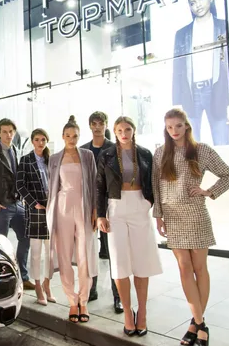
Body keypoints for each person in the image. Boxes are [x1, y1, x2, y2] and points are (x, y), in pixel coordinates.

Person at [153, 108, 229, 346]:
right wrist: (158, 216)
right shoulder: (161, 153)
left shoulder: (201, 151)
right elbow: (156, 187)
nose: (174, 131)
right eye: (169, 127)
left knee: (200, 269)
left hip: (196, 215)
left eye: (178, 126)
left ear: (187, 126)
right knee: (183, 269)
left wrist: (208, 192)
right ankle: (200, 325)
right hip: (173, 217)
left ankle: (197, 325)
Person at [96, 116, 162, 337]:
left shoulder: (145, 153)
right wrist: (100, 215)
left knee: (142, 262)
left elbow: (153, 182)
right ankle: (127, 313)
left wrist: (149, 202)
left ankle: (142, 313)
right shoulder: (105, 155)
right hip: (116, 208)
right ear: (114, 132)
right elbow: (99, 186)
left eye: (128, 129)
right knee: (120, 263)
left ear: (133, 130)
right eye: (120, 130)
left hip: (139, 205)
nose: (124, 133)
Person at [47, 116, 98, 323]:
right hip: (62, 207)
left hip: (84, 206)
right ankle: (71, 301)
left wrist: (96, 210)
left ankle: (84, 300)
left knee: (85, 254)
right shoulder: (54, 158)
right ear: (62, 136)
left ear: (79, 136)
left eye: (75, 135)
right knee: (64, 255)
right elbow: (52, 187)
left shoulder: (87, 156)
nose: (71, 138)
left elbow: (94, 183)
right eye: (68, 135)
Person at [0, 118, 34, 290]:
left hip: (18, 204)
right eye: (4, 132)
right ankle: (0, 277)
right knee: (0, 244)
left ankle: (22, 276)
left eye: (11, 131)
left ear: (14, 132)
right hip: (1, 206)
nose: (8, 135)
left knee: (26, 238)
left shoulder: (16, 151)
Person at [173, 0, 229, 145]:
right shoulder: (182, 34)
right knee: (190, 146)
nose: (198, 4)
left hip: (217, 89)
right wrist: (177, 101)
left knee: (222, 142)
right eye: (193, 2)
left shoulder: (223, 26)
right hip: (190, 93)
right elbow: (177, 69)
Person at [80, 111, 122, 313]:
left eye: (101, 123)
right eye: (93, 123)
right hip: (87, 207)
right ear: (89, 126)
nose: (97, 127)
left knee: (112, 252)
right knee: (89, 251)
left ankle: (118, 295)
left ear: (106, 125)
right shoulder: (82, 150)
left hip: (109, 206)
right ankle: (92, 289)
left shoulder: (114, 149)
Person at [17, 128, 56, 305]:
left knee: (51, 252)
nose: (41, 143)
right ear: (32, 141)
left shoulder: (52, 160)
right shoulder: (25, 160)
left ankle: (48, 284)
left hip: (51, 209)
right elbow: (20, 186)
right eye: (37, 140)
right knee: (36, 252)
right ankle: (38, 286)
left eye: (43, 140)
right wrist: (34, 203)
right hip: (35, 210)